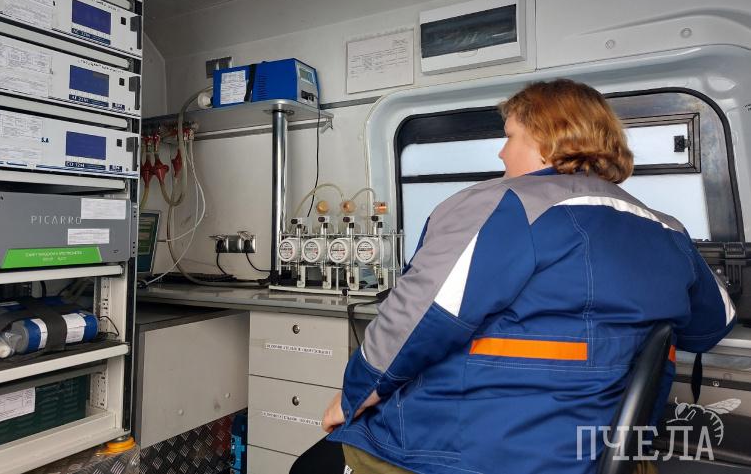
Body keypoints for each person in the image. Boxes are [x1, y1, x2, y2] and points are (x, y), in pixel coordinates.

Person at [294, 78, 736, 474]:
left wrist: (352, 397)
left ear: (546, 139)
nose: (501, 152)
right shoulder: (668, 229)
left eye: (509, 137)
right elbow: (713, 325)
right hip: (602, 454)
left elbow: (418, 319)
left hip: (479, 451)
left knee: (309, 466)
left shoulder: (506, 205)